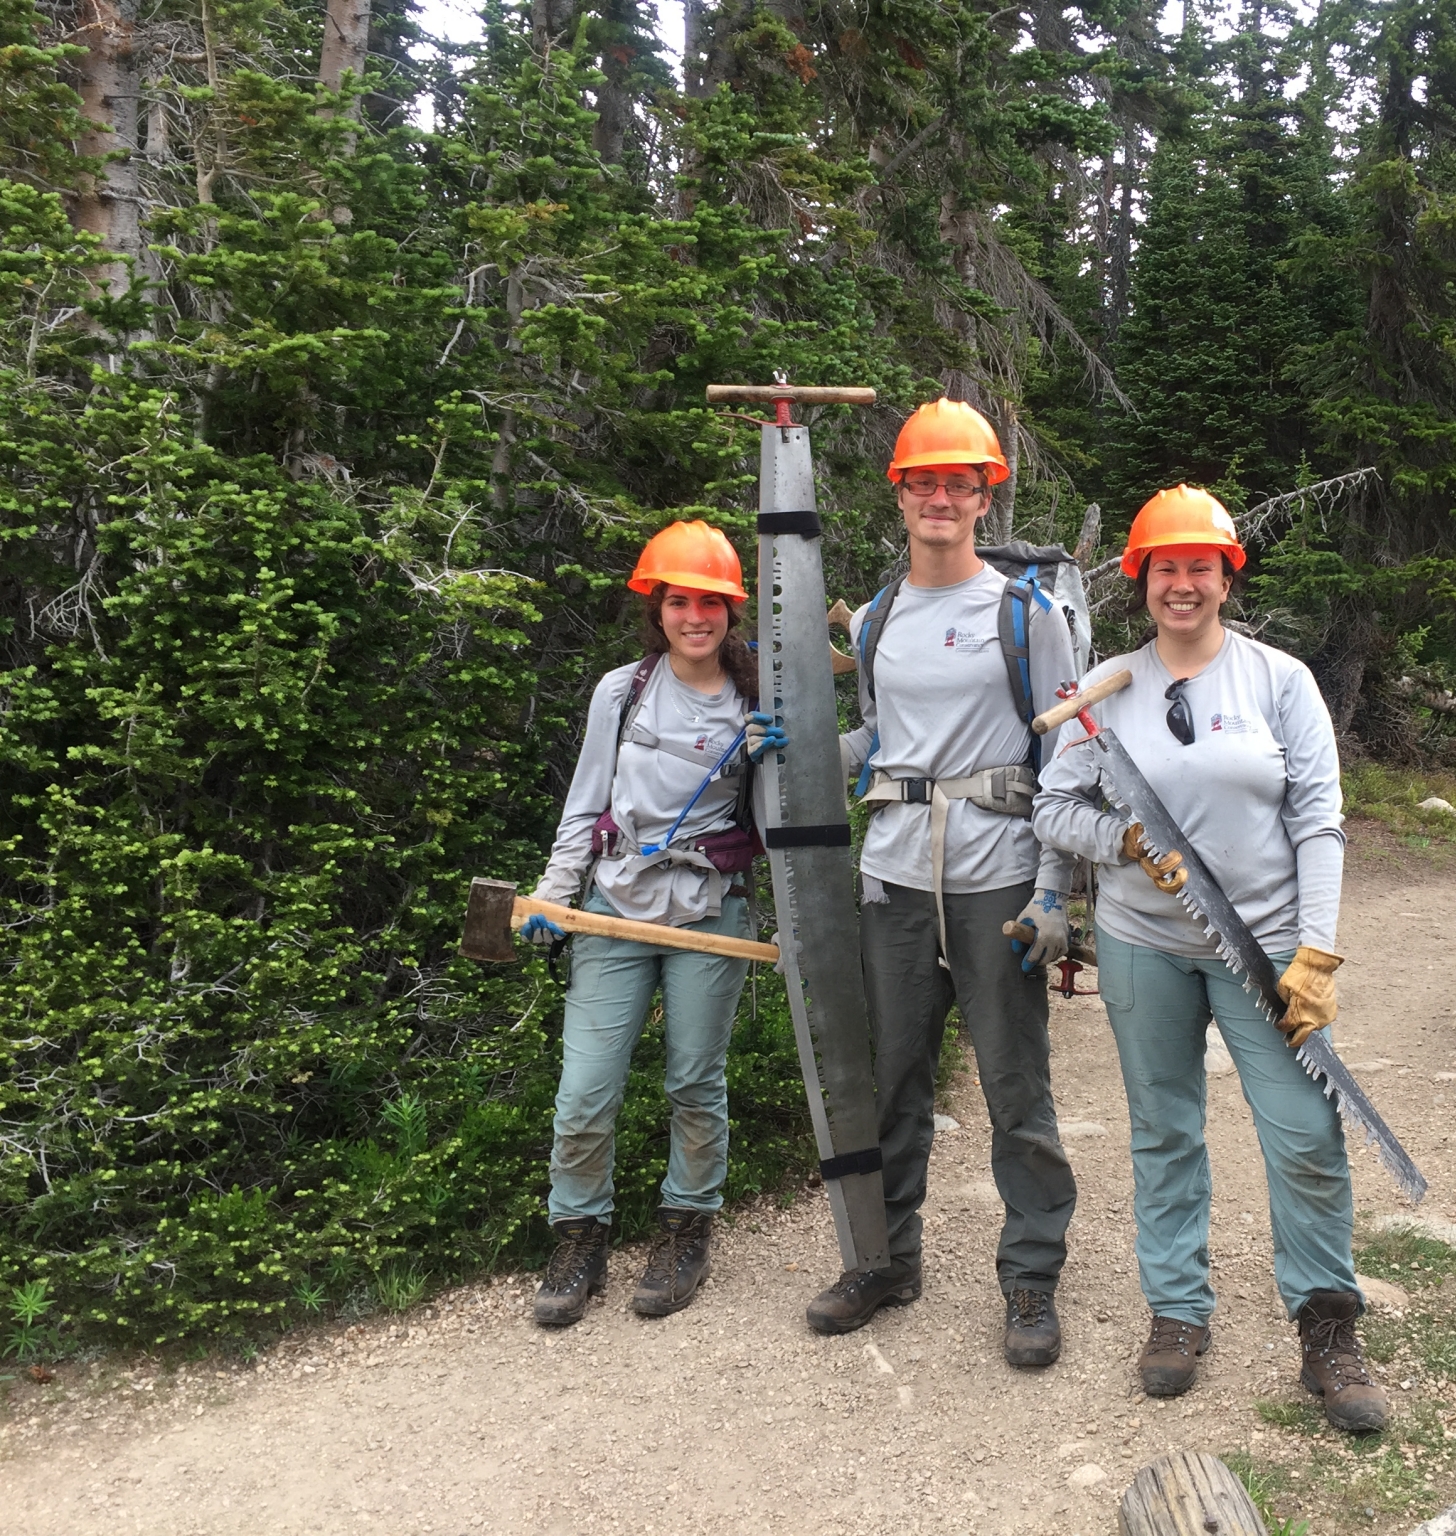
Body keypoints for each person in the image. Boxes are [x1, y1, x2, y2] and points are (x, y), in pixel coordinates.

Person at [1031, 485, 1388, 1432]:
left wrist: (1317, 949)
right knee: (1163, 1129)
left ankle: (1326, 1326)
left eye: (1200, 566)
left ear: (1227, 575)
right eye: (1164, 568)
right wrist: (1121, 846)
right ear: (1138, 579)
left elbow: (1319, 819)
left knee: (1305, 1133)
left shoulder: (1279, 681)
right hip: (1143, 944)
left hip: (1263, 943)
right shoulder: (1105, 692)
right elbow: (1053, 812)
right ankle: (1178, 1312)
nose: (1181, 584)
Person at [792, 398, 1080, 1368]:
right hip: (894, 877)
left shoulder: (1024, 617)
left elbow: (1066, 759)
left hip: (994, 876)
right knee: (894, 1082)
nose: (941, 499)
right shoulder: (874, 619)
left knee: (1013, 1086)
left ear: (984, 499)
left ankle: (1031, 1278)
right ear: (901, 494)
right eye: (925, 482)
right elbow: (881, 736)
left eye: (961, 483)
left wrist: (1055, 894)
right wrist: (800, 761)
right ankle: (885, 1259)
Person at [520, 520, 782, 1328]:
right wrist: (552, 895)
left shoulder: (756, 697)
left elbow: (786, 826)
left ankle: (685, 1228)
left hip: (710, 909)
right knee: (584, 1089)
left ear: (731, 610)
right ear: (656, 607)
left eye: (710, 601)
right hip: (613, 905)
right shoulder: (621, 691)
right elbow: (585, 803)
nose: (695, 616)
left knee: (694, 1081)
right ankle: (578, 1236)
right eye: (679, 600)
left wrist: (783, 755)